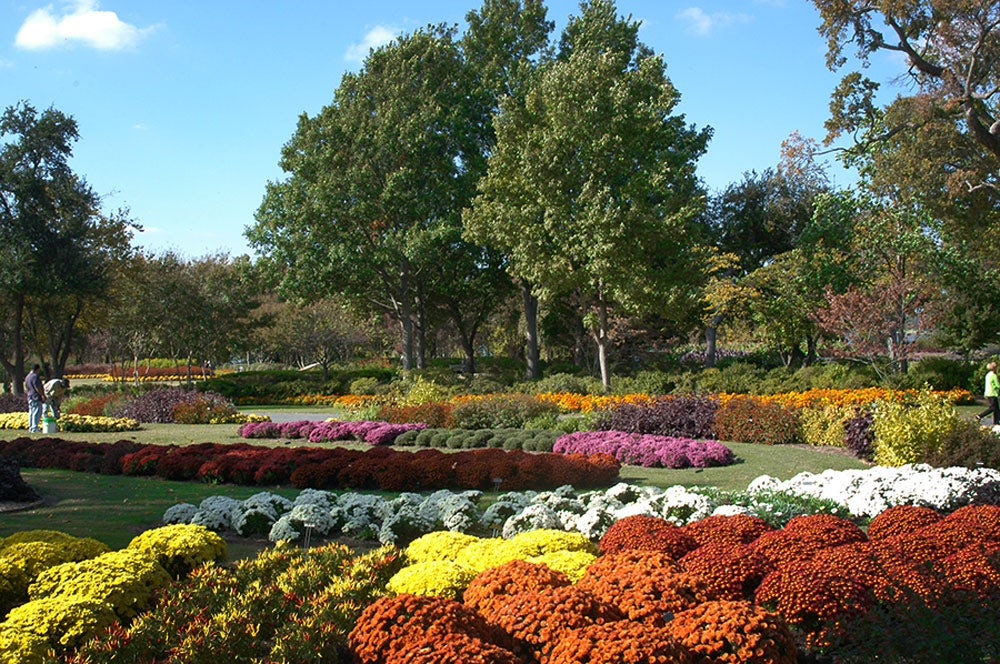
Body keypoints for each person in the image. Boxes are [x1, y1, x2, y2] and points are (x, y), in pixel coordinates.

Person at [24, 364, 46, 433]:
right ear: (37, 369)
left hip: (30, 396)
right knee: (37, 412)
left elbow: (26, 387)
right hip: (36, 396)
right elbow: (37, 387)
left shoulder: (27, 377)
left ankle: (31, 427)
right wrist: (42, 395)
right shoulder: (35, 376)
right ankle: (34, 427)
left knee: (31, 412)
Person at [979, 361, 1000, 426]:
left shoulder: (987, 375)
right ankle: (980, 416)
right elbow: (997, 385)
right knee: (993, 408)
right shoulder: (993, 375)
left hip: (988, 393)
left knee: (996, 409)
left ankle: (996, 422)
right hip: (993, 393)